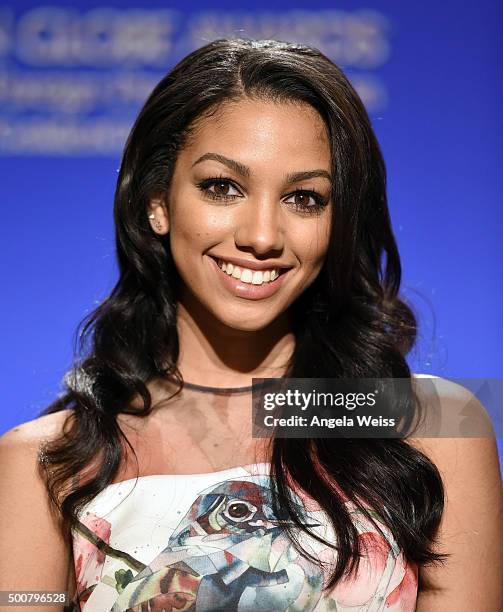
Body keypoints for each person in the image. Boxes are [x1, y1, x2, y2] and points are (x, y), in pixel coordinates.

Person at [0, 38, 502, 612]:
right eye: (222, 187)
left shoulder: (436, 426)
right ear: (156, 202)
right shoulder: (46, 463)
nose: (262, 235)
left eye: (304, 198)